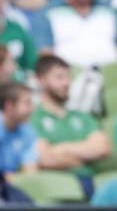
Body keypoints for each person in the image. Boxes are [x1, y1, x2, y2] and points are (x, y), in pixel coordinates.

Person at [30, 54, 110, 197]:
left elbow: (102, 148)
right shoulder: (33, 116)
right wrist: (81, 160)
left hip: (88, 182)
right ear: (41, 80)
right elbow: (45, 159)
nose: (66, 83)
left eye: (68, 77)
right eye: (59, 77)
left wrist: (60, 149)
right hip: (53, 185)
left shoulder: (82, 116)